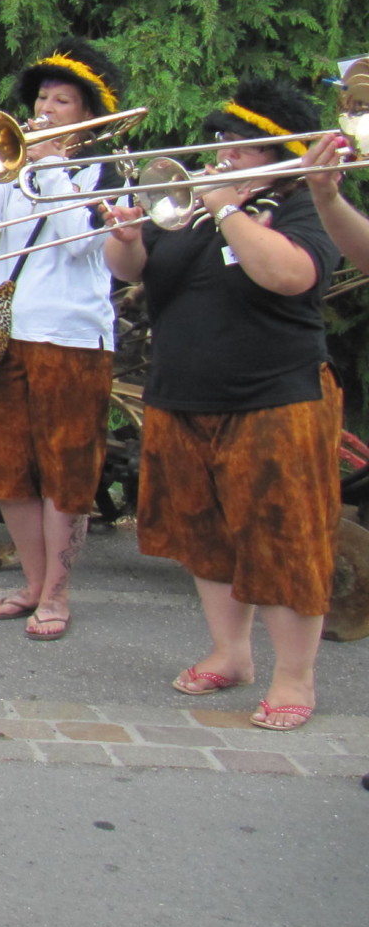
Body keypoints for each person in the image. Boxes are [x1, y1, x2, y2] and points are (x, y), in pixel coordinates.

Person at [107, 80, 340, 731]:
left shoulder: (300, 206)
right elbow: (132, 271)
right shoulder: (190, 207)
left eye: (241, 145)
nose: (223, 153)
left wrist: (229, 210)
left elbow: (290, 275)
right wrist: (127, 236)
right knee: (202, 533)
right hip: (183, 393)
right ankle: (230, 653)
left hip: (273, 398)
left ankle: (295, 677)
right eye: (222, 141)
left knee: (283, 541)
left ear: (279, 156)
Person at [0, 39, 128, 639]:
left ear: (88, 113)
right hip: (3, 327)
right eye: (42, 97)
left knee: (66, 471)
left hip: (71, 337)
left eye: (61, 100)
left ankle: (58, 594)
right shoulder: (16, 161)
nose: (44, 109)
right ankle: (33, 583)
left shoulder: (109, 170)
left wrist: (48, 165)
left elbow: (79, 241)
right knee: (6, 465)